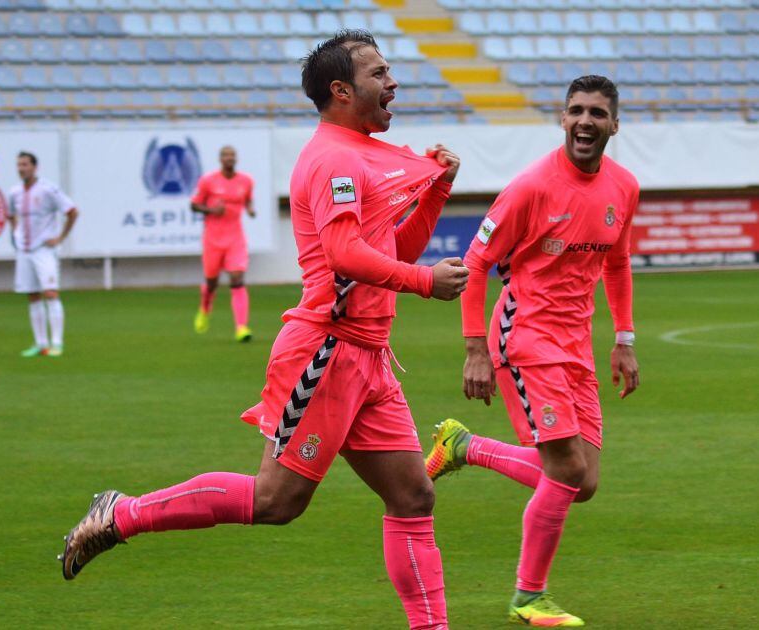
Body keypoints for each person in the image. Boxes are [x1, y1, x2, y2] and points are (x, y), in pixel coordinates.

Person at [59, 30, 469, 629]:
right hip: (327, 352)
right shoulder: (334, 159)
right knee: (275, 501)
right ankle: (122, 514)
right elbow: (344, 254)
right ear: (341, 89)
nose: (393, 82)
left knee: (413, 496)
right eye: (379, 73)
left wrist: (437, 193)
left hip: (369, 356)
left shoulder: (354, 156)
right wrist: (425, 282)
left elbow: (389, 249)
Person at [425, 76, 640, 628]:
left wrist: (624, 339)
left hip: (576, 344)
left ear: (614, 124)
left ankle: (463, 446)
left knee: (582, 482)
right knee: (565, 466)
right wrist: (475, 349)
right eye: (575, 111)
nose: (585, 121)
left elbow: (615, 263)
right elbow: (475, 263)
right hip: (524, 336)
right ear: (562, 120)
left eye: (596, 113)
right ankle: (529, 597)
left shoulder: (624, 188)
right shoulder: (531, 187)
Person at [7, 151, 78, 358]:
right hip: (24, 250)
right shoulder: (14, 192)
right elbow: (11, 215)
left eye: (25, 164)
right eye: (19, 165)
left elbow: (72, 211)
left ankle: (57, 343)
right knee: (32, 295)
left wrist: (60, 238)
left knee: (51, 293)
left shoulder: (48, 190)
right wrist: (16, 234)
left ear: (35, 167)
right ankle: (40, 344)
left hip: (44, 249)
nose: (21, 168)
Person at [190, 145, 255, 342]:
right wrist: (210, 211)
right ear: (220, 159)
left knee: (237, 279)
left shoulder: (246, 181)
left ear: (236, 159)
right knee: (212, 283)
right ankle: (204, 308)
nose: (229, 158)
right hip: (213, 239)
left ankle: (241, 327)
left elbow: (248, 200)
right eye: (226, 155)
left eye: (232, 155)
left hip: (235, 237)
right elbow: (194, 204)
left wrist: (250, 209)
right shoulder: (208, 181)